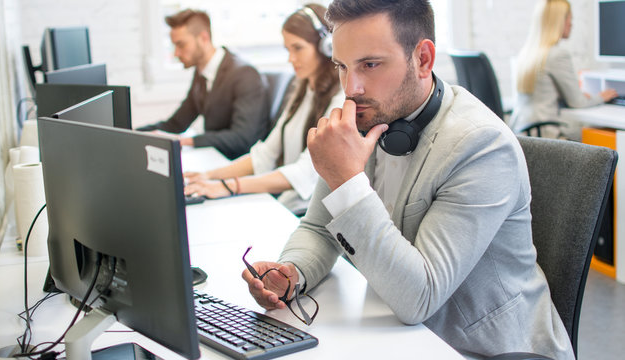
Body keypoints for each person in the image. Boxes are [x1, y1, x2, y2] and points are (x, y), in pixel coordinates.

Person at [241, 0, 574, 358]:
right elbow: (320, 228)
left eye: (370, 64)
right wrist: (292, 271)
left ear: (423, 60)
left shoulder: (481, 145)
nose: (351, 88)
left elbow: (420, 297)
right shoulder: (370, 118)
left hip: (485, 349)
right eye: (342, 66)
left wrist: (346, 180)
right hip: (403, 338)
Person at [183, 4, 344, 215]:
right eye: (287, 50)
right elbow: (266, 154)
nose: (290, 59)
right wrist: (210, 176)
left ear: (326, 47)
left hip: (311, 213)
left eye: (298, 48)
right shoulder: (302, 89)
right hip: (289, 203)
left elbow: (304, 173)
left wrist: (228, 186)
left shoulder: (340, 99)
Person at [137, 9, 270, 159]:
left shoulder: (244, 74)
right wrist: (133, 133)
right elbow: (176, 124)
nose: (176, 53)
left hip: (235, 163)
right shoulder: (201, 74)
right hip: (214, 157)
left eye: (181, 45)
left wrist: (186, 141)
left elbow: (242, 138)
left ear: (203, 38)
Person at [511, 0, 617, 140]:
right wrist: (601, 97)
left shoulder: (527, 53)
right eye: (569, 18)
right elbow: (577, 102)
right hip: (545, 135)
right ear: (558, 21)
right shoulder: (557, 55)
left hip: (522, 133)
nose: (571, 24)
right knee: (595, 142)